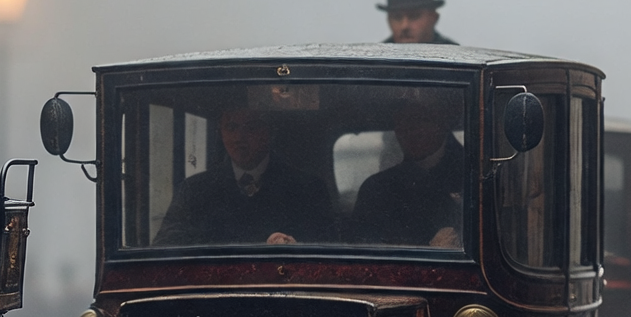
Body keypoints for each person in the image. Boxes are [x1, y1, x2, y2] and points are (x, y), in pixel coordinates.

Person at [154, 104, 338, 247]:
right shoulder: (194, 190)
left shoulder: (308, 188)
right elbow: (166, 246)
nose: (239, 137)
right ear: (221, 133)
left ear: (270, 132)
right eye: (231, 127)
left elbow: (328, 246)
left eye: (251, 127)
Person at [349, 97, 465, 247]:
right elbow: (363, 248)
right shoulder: (376, 188)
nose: (410, 131)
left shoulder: (473, 174)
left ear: (442, 121)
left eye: (420, 119)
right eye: (401, 123)